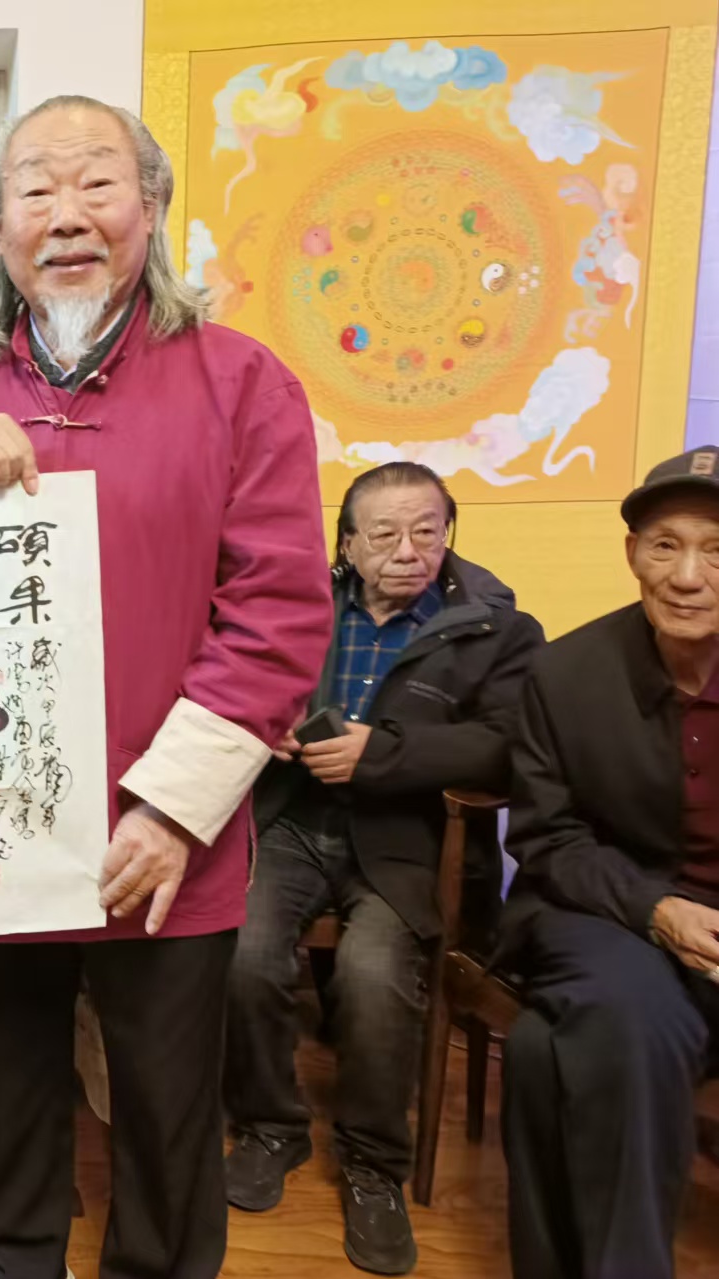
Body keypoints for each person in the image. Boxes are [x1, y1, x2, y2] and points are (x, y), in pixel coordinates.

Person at [0, 94, 333, 1279]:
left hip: (167, 836)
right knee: (8, 1091)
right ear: (0, 228)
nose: (65, 214)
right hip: (2, 824)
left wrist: (170, 810)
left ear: (149, 209)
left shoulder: (239, 381)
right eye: (33, 189)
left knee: (165, 1108)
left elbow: (275, 613)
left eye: (96, 183)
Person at [223, 461, 543, 1274]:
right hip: (293, 821)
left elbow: (511, 747)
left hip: (406, 843)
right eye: (386, 533)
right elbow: (237, 679)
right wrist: (271, 722)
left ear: (448, 533)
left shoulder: (497, 629)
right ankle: (270, 1126)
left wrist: (386, 754)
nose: (408, 550)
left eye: (426, 531)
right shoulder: (300, 604)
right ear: (347, 543)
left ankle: (373, 1163)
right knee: (242, 950)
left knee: (372, 974)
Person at [500, 447, 719, 1279]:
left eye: (717, 550)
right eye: (665, 545)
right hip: (605, 909)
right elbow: (548, 839)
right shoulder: (565, 673)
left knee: (539, 1049)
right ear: (632, 554)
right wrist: (658, 910)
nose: (688, 576)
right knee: (628, 1014)